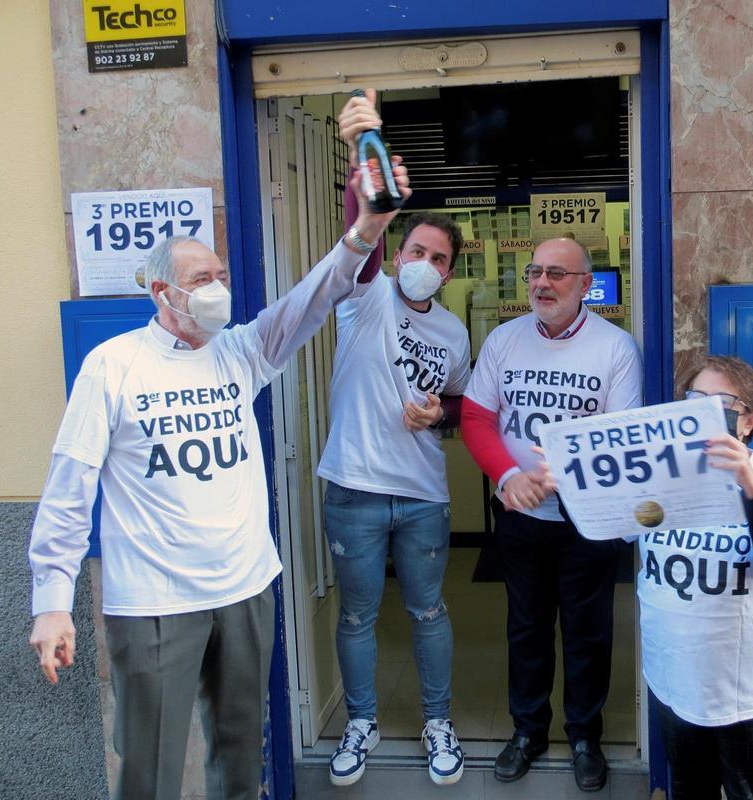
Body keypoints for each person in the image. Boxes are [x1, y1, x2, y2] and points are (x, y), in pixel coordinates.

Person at [26, 156, 410, 800]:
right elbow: (71, 485)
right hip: (152, 603)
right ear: (162, 294)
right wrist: (52, 602)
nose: (218, 289)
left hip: (244, 588)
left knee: (240, 756)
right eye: (201, 279)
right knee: (147, 767)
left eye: (221, 275)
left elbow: (316, 295)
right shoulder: (112, 367)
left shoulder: (241, 350)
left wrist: (367, 227)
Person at [317, 89, 472, 788]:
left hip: (420, 496)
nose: (426, 262)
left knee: (428, 610)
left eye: (439, 258)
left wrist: (437, 414)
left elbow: (461, 408)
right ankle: (361, 722)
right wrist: (365, 152)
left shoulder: (454, 331)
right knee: (355, 614)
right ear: (400, 248)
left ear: (448, 270)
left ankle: (439, 722)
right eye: (417, 247)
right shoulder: (365, 292)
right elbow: (363, 230)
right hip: (352, 487)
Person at [461, 237, 643, 792]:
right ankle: (528, 732)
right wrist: (510, 476)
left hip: (588, 522)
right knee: (526, 628)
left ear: (586, 284)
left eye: (557, 274)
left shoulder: (616, 348)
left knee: (588, 632)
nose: (541, 283)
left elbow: (619, 441)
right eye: (535, 272)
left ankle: (585, 736)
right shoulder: (503, 340)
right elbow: (475, 417)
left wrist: (564, 476)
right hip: (520, 516)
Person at [642, 356, 753, 800]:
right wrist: (567, 484)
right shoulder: (658, 472)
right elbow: (602, 527)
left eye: (721, 402)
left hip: (741, 685)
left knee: (748, 792)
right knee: (689, 789)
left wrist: (749, 483)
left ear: (749, 419)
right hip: (673, 673)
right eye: (695, 400)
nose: (705, 411)